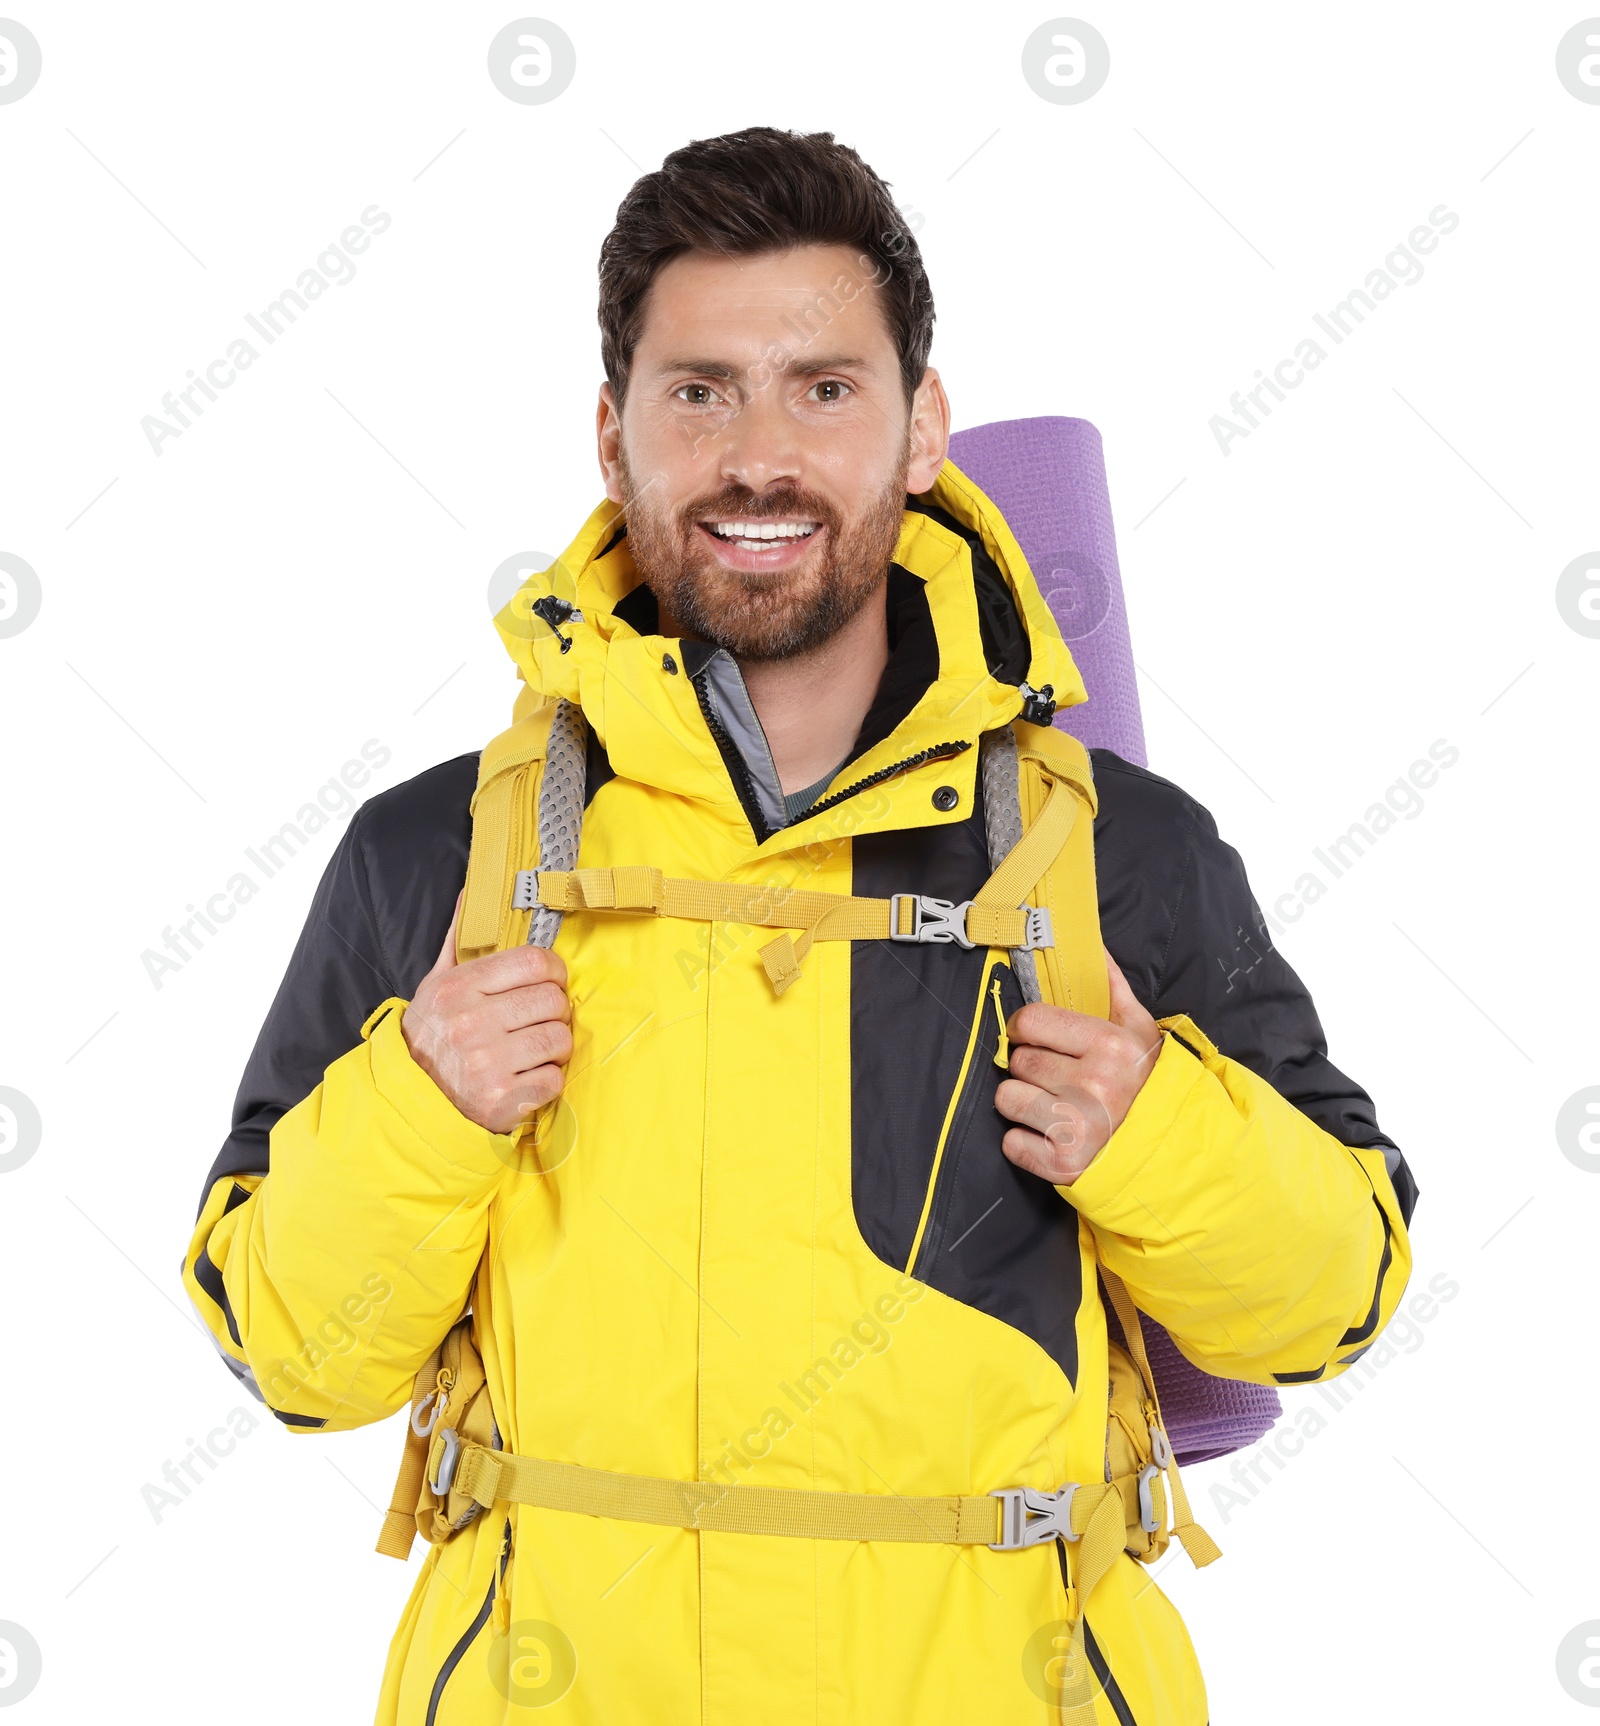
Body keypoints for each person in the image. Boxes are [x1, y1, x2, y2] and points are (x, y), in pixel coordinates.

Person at [184, 127, 1416, 1725]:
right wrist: (421, 1103)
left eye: (824, 388)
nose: (759, 454)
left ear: (924, 435)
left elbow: (1334, 1297)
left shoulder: (1113, 852)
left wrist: (1156, 1123)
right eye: (699, 391)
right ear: (612, 437)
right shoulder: (442, 854)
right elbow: (292, 1357)